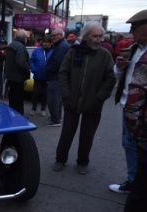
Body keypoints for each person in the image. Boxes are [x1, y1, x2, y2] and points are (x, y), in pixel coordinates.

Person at [53, 21, 116, 174]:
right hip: (72, 101)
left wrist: (99, 97)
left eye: (100, 36)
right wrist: (66, 95)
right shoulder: (74, 51)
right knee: (67, 133)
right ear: (86, 36)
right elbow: (63, 73)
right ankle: (60, 159)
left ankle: (83, 161)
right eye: (95, 36)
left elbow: (110, 79)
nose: (98, 39)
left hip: (93, 104)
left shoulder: (104, 55)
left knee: (87, 135)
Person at [112, 10, 147, 211]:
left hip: (143, 112)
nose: (131, 31)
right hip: (128, 108)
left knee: (140, 149)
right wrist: (119, 66)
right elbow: (119, 75)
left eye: (135, 27)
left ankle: (137, 186)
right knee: (129, 145)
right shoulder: (134, 48)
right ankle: (133, 182)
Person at [45, 28, 70, 126]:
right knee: (57, 99)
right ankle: (57, 117)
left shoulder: (62, 46)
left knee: (53, 99)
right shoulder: (61, 45)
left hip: (55, 77)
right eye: (52, 36)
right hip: (57, 76)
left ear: (60, 35)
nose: (52, 38)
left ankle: (55, 119)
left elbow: (57, 62)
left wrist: (48, 69)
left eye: (54, 36)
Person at [5, 29, 30, 115]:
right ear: (24, 38)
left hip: (11, 76)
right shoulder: (20, 47)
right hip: (18, 77)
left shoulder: (11, 45)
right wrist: (27, 70)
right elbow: (21, 62)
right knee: (18, 99)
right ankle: (19, 117)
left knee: (12, 99)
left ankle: (12, 115)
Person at [29, 36, 53, 117]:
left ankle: (43, 109)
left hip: (47, 76)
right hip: (38, 75)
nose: (45, 44)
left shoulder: (53, 51)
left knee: (45, 94)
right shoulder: (37, 50)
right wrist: (34, 69)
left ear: (50, 43)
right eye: (44, 42)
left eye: (47, 42)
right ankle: (34, 108)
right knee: (35, 93)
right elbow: (32, 60)